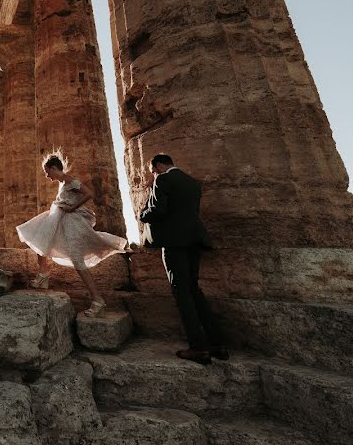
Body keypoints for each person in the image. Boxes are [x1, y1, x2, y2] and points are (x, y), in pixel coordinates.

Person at [139, 153, 226, 364]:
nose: (154, 174)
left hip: (174, 242)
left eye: (153, 171)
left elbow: (159, 210)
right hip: (194, 240)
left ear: (158, 166)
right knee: (194, 289)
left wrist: (142, 214)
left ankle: (197, 347)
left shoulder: (163, 179)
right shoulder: (192, 183)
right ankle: (217, 344)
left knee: (181, 291)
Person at [16, 151, 127, 317]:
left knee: (77, 260)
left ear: (54, 168)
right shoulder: (62, 183)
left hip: (72, 224)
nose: (47, 176)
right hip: (60, 221)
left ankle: (97, 300)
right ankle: (43, 274)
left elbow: (89, 193)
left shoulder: (69, 180)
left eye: (47, 171)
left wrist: (72, 207)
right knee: (37, 235)